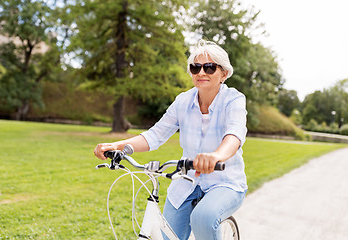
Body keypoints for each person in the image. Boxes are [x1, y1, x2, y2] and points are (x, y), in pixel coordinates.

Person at [94, 39, 248, 240]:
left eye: (209, 67)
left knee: (203, 217)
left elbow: (234, 134)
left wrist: (216, 156)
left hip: (225, 182)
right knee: (165, 235)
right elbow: (155, 135)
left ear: (224, 73)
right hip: (186, 181)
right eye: (195, 67)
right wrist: (118, 146)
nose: (201, 72)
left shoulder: (233, 99)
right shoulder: (182, 101)